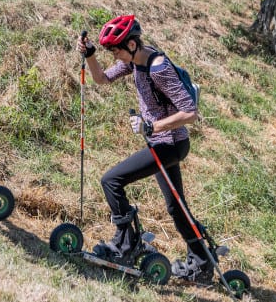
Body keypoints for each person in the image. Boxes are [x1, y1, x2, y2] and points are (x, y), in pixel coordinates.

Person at [76, 14, 211, 282]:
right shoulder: (133, 63)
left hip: (170, 145)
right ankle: (203, 262)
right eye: (109, 50)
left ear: (132, 45)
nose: (113, 55)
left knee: (111, 180)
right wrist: (90, 54)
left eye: (115, 49)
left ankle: (126, 246)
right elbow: (101, 79)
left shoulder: (159, 68)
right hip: (162, 143)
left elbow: (190, 112)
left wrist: (152, 127)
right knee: (176, 207)